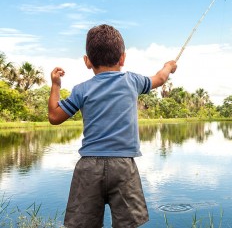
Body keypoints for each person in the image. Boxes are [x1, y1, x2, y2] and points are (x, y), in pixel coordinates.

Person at [48, 24, 177, 228]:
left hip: (89, 166)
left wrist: (55, 85)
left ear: (87, 62)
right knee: (128, 224)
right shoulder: (133, 81)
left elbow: (54, 116)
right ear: (123, 58)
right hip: (124, 165)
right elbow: (160, 79)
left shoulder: (81, 90)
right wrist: (169, 66)